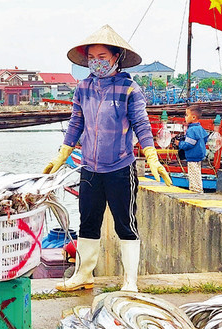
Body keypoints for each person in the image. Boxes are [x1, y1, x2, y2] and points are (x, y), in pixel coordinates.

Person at [43, 25, 168, 293]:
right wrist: (63, 154)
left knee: (126, 223)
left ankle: (130, 280)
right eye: (91, 57)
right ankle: (84, 274)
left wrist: (152, 155)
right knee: (88, 221)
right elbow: (76, 123)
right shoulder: (83, 87)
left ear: (115, 57)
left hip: (120, 168)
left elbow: (142, 125)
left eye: (101, 56)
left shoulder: (130, 89)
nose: (96, 62)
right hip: (89, 168)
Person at [179, 105, 209, 193]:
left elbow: (189, 144)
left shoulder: (191, 130)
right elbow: (205, 138)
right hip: (200, 155)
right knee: (197, 172)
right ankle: (199, 188)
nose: (185, 117)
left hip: (192, 155)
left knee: (192, 173)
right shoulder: (200, 128)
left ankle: (195, 190)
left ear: (193, 117)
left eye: (186, 115)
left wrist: (180, 144)